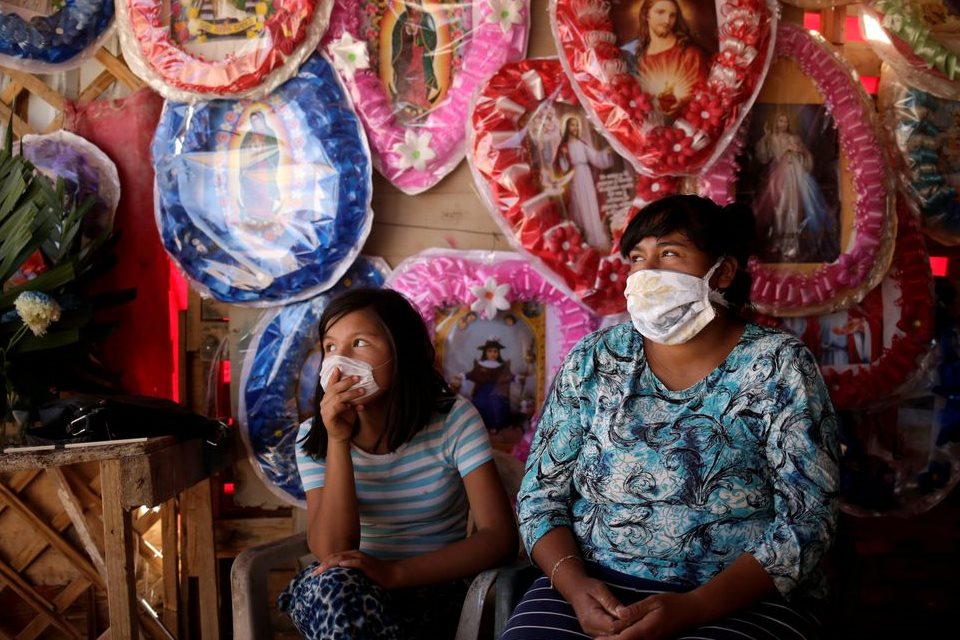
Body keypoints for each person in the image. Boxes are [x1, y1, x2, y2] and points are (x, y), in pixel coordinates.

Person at [501, 194, 839, 640]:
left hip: (735, 595)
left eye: (670, 254)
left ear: (724, 270)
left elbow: (808, 517)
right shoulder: (596, 359)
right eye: (637, 258)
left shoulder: (779, 366)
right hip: (594, 584)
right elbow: (541, 496)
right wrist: (577, 588)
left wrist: (694, 607)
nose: (646, 273)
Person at [279, 288, 518, 639]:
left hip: (434, 591)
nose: (340, 360)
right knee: (332, 587)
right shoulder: (314, 436)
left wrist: (394, 573)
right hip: (347, 593)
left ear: (401, 351)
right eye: (330, 347)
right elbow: (333, 550)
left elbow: (499, 538)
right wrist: (338, 440)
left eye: (359, 342)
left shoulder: (453, 419)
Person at [754, 112, 839, 263]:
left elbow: (806, 157)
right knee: (780, 205)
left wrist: (800, 153)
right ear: (776, 122)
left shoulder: (795, 138)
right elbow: (763, 156)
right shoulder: (773, 138)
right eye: (780, 120)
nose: (783, 124)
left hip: (796, 174)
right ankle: (779, 241)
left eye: (785, 121)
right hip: (780, 175)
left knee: (798, 205)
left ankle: (794, 242)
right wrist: (766, 137)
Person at [622, 0, 710, 120]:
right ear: (646, 15)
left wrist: (682, 104)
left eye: (672, 15)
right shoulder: (637, 60)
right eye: (660, 12)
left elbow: (706, 97)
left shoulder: (690, 55)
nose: (667, 21)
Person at [553, 115, 615, 249]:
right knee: (578, 204)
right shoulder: (563, 146)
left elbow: (595, 157)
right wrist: (563, 157)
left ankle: (594, 238)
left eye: (576, 125)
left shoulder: (582, 144)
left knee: (590, 203)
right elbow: (561, 168)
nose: (574, 127)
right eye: (572, 125)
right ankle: (582, 237)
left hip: (586, 175)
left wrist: (605, 153)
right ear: (566, 128)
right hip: (574, 177)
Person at [389, 0, 440, 120]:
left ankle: (419, 105)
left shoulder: (426, 17)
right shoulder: (403, 17)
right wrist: (406, 31)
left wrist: (418, 32)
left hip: (421, 57)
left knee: (420, 80)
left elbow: (432, 38)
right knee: (406, 79)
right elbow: (396, 36)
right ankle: (405, 103)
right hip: (406, 56)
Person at [465, 337, 515, 432]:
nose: (492, 354)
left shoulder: (502, 366)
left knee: (497, 402)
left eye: (495, 351)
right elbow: (472, 374)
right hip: (482, 390)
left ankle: (496, 426)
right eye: (490, 351)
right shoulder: (480, 365)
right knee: (480, 401)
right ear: (485, 352)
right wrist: (462, 376)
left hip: (497, 390)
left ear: (498, 353)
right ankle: (482, 427)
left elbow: (508, 376)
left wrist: (517, 378)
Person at [238, 110, 280, 220]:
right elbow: (242, 151)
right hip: (251, 165)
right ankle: (251, 211)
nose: (255, 122)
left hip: (265, 166)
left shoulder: (270, 133)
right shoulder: (249, 134)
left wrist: (262, 152)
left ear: (262, 120)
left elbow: (275, 151)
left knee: (263, 189)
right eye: (252, 121)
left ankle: (265, 212)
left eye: (256, 120)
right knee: (251, 188)